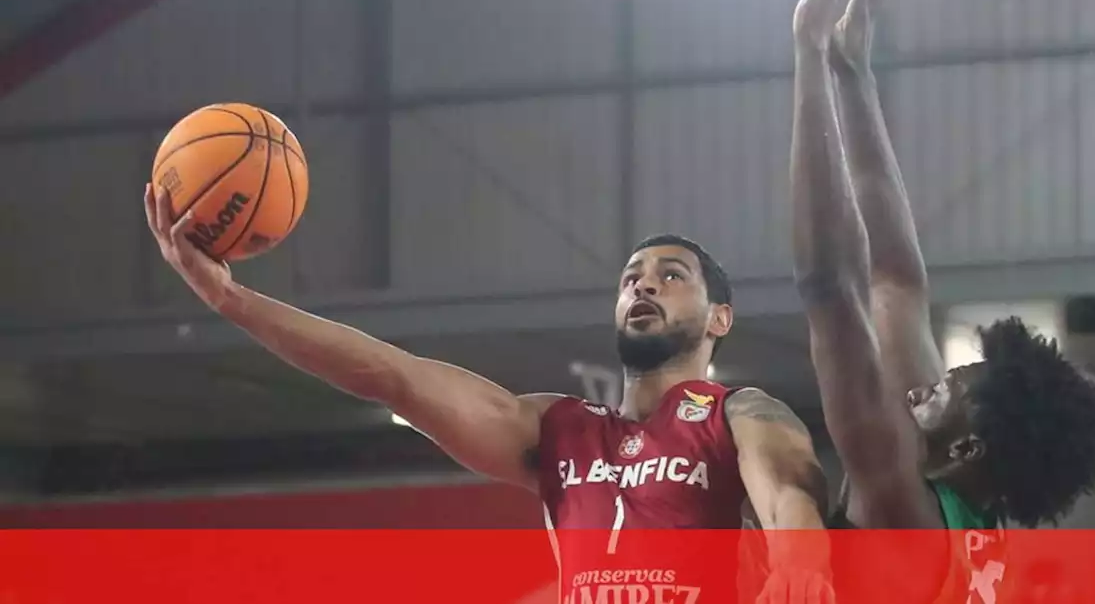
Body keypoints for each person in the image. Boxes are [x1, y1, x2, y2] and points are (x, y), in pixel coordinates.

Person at [143, 188, 832, 604]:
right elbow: (391, 375)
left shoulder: (738, 413)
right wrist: (232, 299)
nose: (642, 286)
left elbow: (789, 489)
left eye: (670, 275)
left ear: (719, 317)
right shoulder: (558, 427)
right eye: (630, 277)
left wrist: (801, 563)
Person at [789, 0, 1095, 603]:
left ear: (967, 447)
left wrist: (807, 54)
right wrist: (852, 71)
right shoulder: (967, 500)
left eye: (949, 389)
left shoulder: (904, 510)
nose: (927, 386)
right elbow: (894, 282)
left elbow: (832, 287)